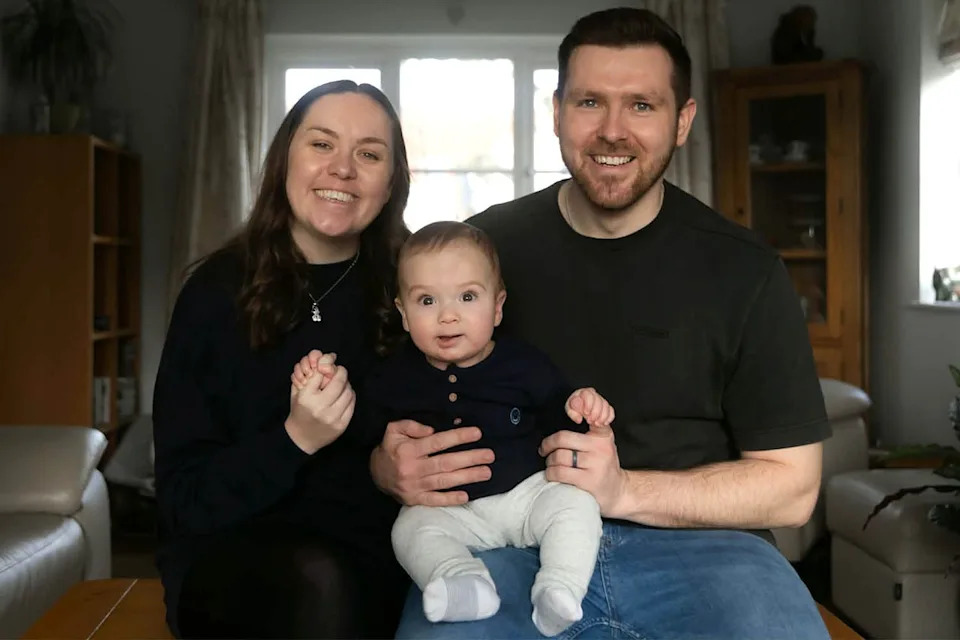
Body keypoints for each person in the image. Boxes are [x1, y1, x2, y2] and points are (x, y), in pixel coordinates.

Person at [371, 8, 833, 639]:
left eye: (641, 105)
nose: (612, 131)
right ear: (557, 111)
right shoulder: (481, 251)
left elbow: (792, 488)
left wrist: (623, 493)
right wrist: (386, 466)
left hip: (709, 555)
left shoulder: (745, 270)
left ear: (682, 122)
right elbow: (399, 391)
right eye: (590, 102)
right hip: (504, 544)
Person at [153, 80, 412, 639]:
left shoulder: (412, 291)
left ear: (390, 183)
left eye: (368, 154)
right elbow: (183, 501)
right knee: (321, 584)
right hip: (233, 560)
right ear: (284, 161)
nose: (342, 168)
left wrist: (403, 468)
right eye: (322, 145)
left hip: (385, 551)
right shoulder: (215, 294)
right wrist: (295, 438)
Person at [296, 221, 612, 636]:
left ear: (497, 307)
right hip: (447, 511)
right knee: (408, 530)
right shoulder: (394, 377)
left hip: (527, 496)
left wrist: (581, 405)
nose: (448, 316)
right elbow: (360, 430)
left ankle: (560, 588)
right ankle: (462, 581)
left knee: (577, 506)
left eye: (467, 297)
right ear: (403, 314)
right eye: (427, 300)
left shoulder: (523, 364)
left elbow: (560, 411)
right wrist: (323, 381)